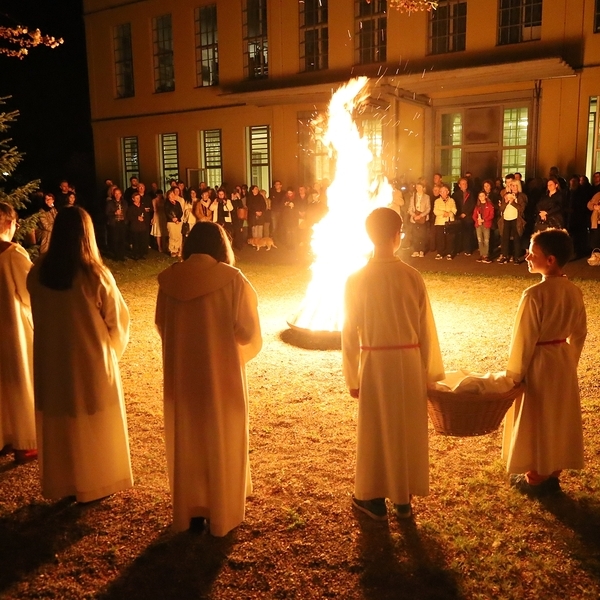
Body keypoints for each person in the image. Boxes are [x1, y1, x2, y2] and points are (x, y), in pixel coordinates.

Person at [155, 221, 262, 536]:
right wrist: (225, 347)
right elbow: (248, 332)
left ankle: (192, 509)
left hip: (182, 374)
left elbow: (162, 324)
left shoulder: (169, 280)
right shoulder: (233, 279)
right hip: (221, 374)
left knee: (189, 438)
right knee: (220, 435)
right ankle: (221, 507)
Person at [342, 207, 444, 520]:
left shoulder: (356, 279)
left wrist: (352, 377)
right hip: (409, 363)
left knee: (376, 430)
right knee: (406, 429)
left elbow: (348, 333)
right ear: (399, 236)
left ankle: (374, 498)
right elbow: (426, 329)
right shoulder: (412, 276)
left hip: (375, 364)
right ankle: (403, 497)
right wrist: (430, 372)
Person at [27, 206, 133, 502]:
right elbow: (117, 321)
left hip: (52, 361)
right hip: (90, 360)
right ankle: (96, 480)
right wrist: (109, 354)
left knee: (61, 421)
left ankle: (65, 481)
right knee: (93, 420)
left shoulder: (38, 273)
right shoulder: (94, 275)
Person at [502, 229, 586, 496]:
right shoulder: (574, 291)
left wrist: (515, 375)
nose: (527, 257)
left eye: (532, 253)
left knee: (537, 417)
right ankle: (552, 471)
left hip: (539, 363)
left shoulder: (534, 295)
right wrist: (569, 360)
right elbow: (580, 333)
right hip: (561, 360)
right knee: (557, 416)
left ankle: (536, 477)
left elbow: (524, 339)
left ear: (550, 260)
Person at [0, 202, 37, 464]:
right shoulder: (12, 253)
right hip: (12, 328)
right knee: (20, 379)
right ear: (9, 223)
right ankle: (24, 440)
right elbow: (29, 290)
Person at [473, 191, 494, 263]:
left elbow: (491, 215)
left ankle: (486, 255)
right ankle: (481, 254)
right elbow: (474, 216)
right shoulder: (477, 206)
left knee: (486, 240)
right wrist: (477, 220)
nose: (481, 197)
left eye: (482, 195)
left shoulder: (489, 205)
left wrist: (484, 220)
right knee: (480, 240)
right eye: (480, 196)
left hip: (486, 224)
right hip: (478, 225)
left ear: (485, 196)